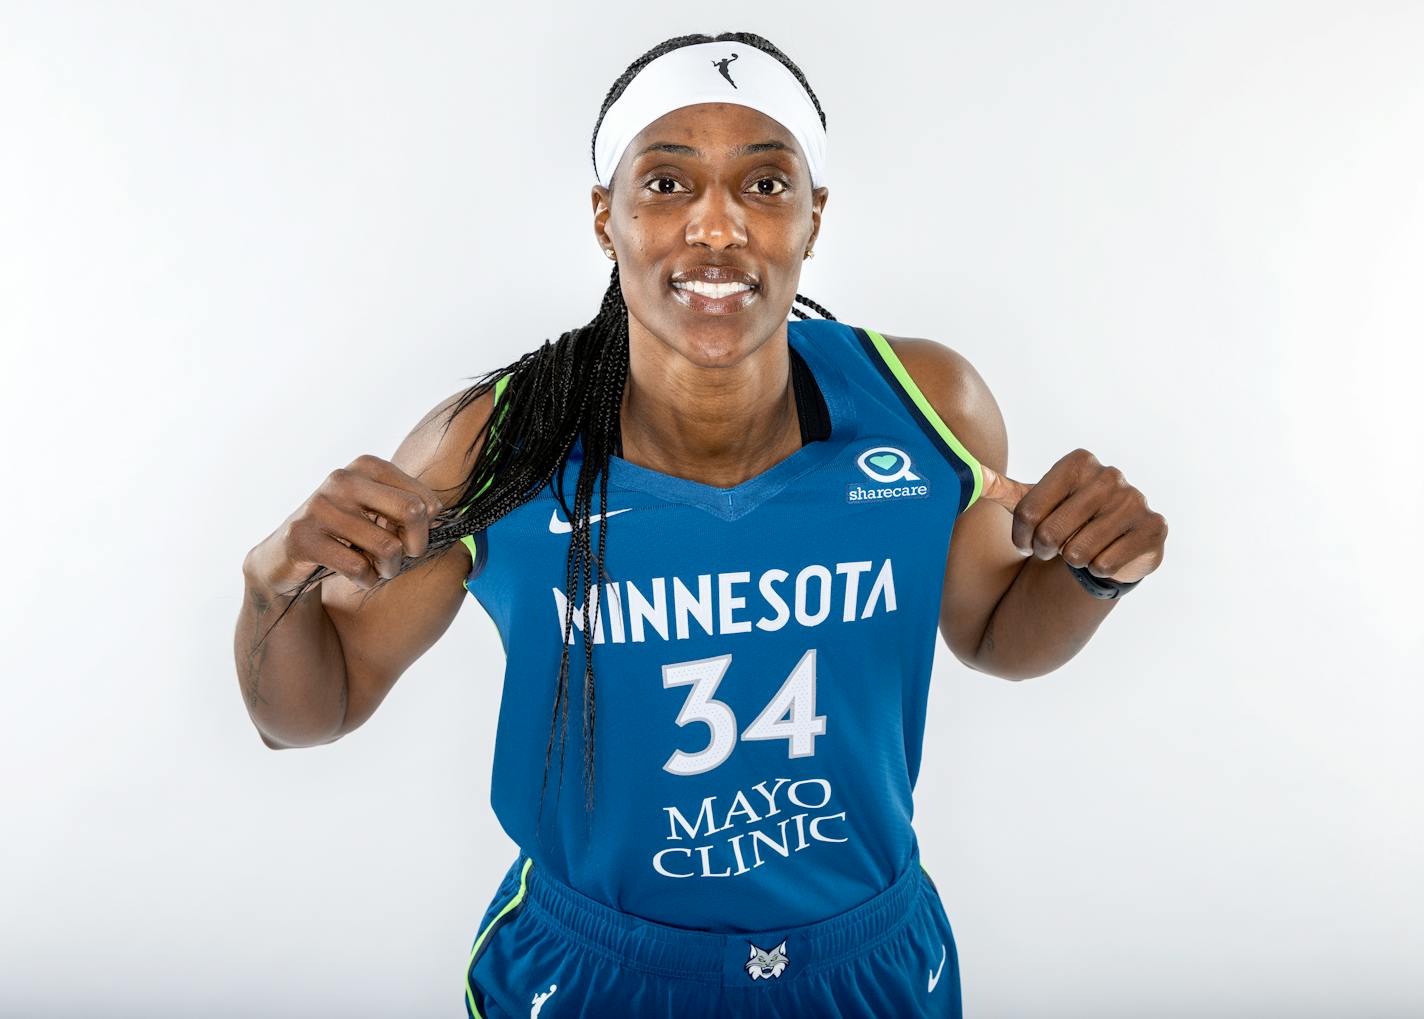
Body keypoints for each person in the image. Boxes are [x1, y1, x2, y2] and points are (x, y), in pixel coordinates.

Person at [235, 30, 1168, 1019]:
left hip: (864, 956)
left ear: (814, 216)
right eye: (667, 183)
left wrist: (1092, 571)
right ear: (607, 217)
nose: (716, 226)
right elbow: (308, 710)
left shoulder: (921, 400)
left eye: (764, 185)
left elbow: (991, 633)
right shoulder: (499, 444)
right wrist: (270, 582)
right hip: (598, 969)